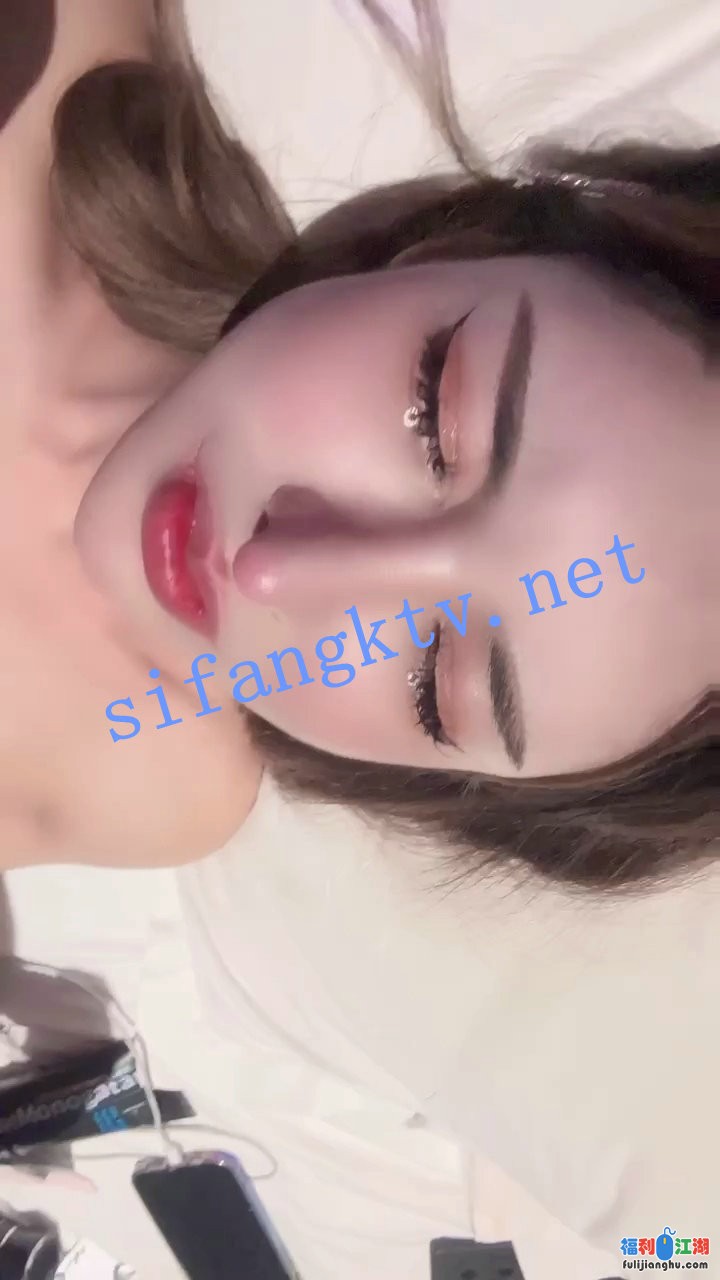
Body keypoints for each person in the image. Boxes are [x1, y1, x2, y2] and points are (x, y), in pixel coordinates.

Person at [1, 0, 718, 1275]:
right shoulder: (48, 55)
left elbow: (684, 1240)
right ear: (445, 242)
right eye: (433, 416)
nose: (282, 566)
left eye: (434, 680)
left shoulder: (149, 774)